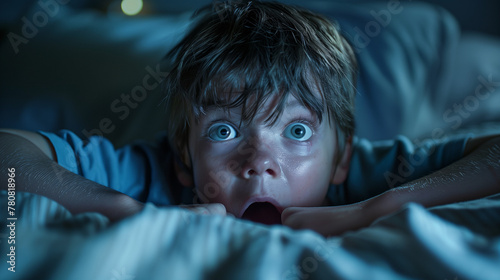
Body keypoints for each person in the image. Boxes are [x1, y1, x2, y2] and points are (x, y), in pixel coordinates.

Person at [1, 0, 499, 237]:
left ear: (341, 161)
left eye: (297, 132)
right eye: (225, 131)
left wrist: (378, 207)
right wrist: (130, 213)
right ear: (183, 162)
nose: (259, 162)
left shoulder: (367, 175)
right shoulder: (151, 174)